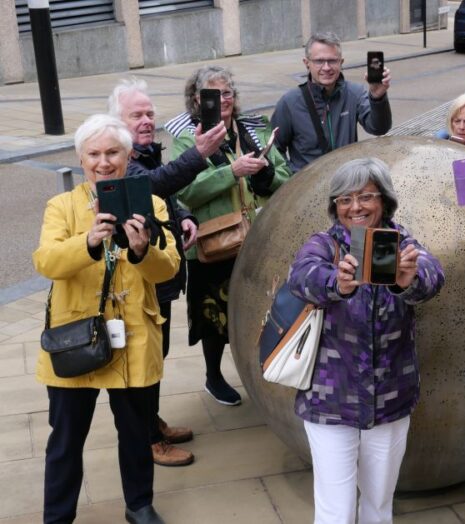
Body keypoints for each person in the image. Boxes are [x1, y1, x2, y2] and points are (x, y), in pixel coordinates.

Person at [33, 114, 180, 524]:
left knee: (136, 434)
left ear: (128, 155)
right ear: (81, 159)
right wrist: (89, 241)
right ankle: (57, 516)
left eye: (112, 152)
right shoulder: (61, 206)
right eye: (93, 154)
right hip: (75, 339)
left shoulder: (152, 203)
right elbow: (46, 261)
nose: (103, 162)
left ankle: (139, 505)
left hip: (133, 336)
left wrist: (140, 251)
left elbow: (168, 268)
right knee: (65, 439)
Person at [288, 158, 445, 523]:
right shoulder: (325, 245)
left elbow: (433, 275)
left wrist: (408, 281)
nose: (355, 207)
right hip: (330, 398)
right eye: (345, 199)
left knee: (378, 503)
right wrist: (337, 284)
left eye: (365, 197)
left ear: (384, 201)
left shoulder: (402, 242)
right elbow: (301, 277)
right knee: (336, 510)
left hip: (390, 395)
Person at [109, 77, 227, 467]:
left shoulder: (144, 152)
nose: (145, 120)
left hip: (161, 276)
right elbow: (151, 186)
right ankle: (147, 440)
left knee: (157, 355)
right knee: (143, 360)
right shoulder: (119, 159)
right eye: (135, 115)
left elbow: (166, 197)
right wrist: (198, 154)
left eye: (149, 113)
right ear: (117, 121)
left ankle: (152, 423)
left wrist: (186, 217)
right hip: (138, 282)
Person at [165, 65, 292, 406]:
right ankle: (213, 375)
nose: (221, 99)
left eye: (227, 93)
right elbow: (184, 191)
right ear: (196, 99)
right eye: (212, 93)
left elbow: (284, 172)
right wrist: (230, 172)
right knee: (214, 316)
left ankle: (262, 369)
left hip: (258, 238)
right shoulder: (187, 139)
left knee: (260, 307)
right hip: (214, 244)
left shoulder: (250, 130)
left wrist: (265, 174)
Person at [271, 32, 392, 173]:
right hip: (309, 189)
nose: (326, 67)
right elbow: (274, 150)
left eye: (332, 61)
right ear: (307, 63)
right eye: (319, 61)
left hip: (346, 186)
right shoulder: (290, 102)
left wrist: (378, 97)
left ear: (341, 62)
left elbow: (378, 128)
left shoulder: (354, 93)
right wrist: (293, 179)